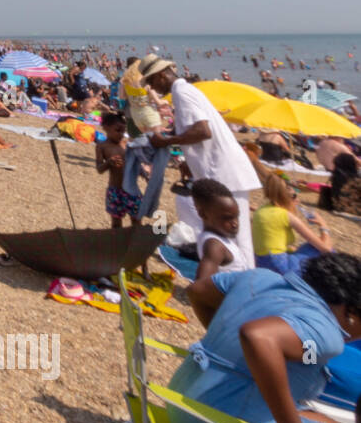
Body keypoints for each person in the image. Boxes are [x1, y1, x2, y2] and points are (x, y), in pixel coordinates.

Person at [169, 254, 361, 423]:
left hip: (183, 406)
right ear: (350, 313)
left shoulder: (258, 278)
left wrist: (233, 356)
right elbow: (259, 337)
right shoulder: (324, 331)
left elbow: (197, 291)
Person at [142, 55, 261, 268]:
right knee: (229, 233)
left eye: (151, 81)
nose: (152, 87)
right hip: (223, 171)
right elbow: (200, 131)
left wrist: (168, 141)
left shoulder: (181, 93)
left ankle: (245, 282)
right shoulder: (186, 90)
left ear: (161, 75)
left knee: (236, 235)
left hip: (224, 173)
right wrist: (188, 156)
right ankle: (235, 280)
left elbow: (202, 131)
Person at [253, 174, 333, 275]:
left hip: (261, 263)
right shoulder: (286, 215)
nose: (297, 200)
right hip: (280, 266)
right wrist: (324, 226)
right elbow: (326, 249)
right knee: (328, 251)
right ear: (285, 197)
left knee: (306, 247)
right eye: (294, 196)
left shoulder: (261, 209)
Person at [191, 178, 254, 281]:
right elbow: (200, 285)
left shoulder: (222, 238)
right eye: (227, 218)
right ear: (203, 214)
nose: (235, 223)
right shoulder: (214, 245)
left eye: (236, 216)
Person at [96, 112, 139, 228]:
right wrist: (109, 163)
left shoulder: (127, 144)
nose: (121, 134)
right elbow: (99, 169)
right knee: (116, 224)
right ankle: (118, 244)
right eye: (118, 130)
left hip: (132, 190)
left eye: (123, 131)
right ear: (106, 128)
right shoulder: (102, 146)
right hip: (115, 191)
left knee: (136, 221)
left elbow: (136, 164)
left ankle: (134, 244)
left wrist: (145, 173)